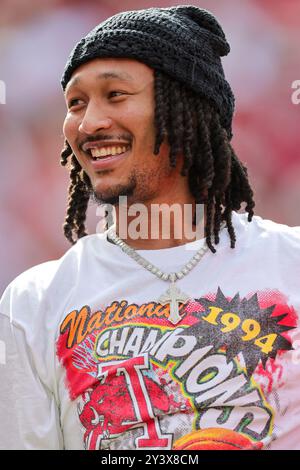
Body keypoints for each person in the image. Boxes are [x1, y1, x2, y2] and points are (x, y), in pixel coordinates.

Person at [0, 5, 299, 451]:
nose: (88, 123)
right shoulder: (34, 302)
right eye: (75, 103)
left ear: (186, 108)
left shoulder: (291, 262)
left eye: (115, 95)